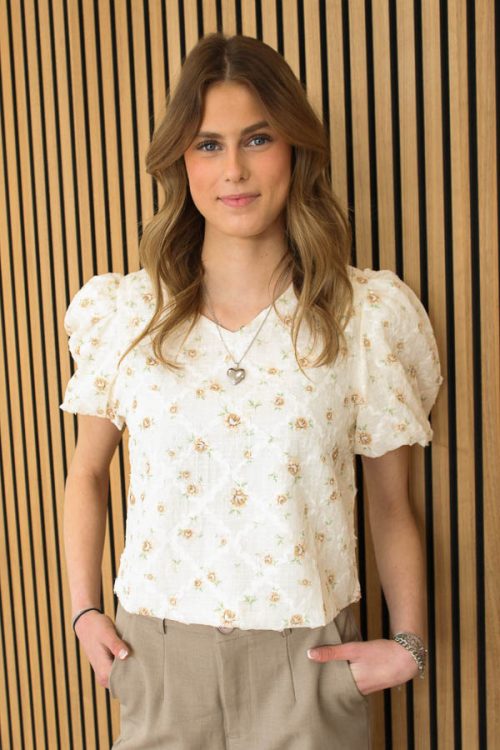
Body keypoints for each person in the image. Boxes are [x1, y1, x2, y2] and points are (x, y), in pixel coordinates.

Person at [60, 32, 443, 750]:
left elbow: (393, 504)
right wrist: (84, 613)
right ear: (181, 160)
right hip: (158, 661)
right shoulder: (126, 314)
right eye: (208, 144)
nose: (233, 169)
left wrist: (409, 644)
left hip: (310, 670)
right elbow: (87, 472)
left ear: (295, 149)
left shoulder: (363, 317)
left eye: (257, 139)